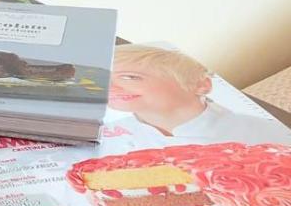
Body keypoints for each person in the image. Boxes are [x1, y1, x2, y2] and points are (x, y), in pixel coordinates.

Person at [106, 44, 289, 147]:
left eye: (130, 77)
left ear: (200, 84)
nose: (110, 87)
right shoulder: (108, 137)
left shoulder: (262, 132)